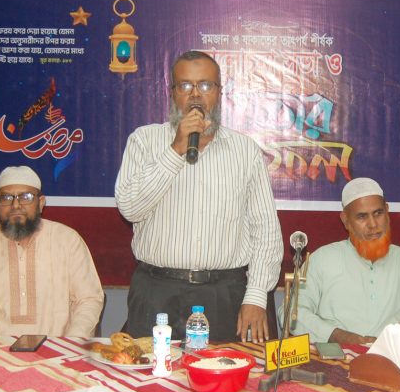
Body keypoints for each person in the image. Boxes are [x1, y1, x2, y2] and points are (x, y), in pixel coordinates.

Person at [115, 50, 282, 343]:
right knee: (152, 373)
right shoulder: (144, 141)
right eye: (185, 85)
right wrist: (175, 149)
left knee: (224, 373)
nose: (195, 95)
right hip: (156, 291)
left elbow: (265, 230)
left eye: (205, 85)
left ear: (219, 92)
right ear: (172, 93)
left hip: (223, 295)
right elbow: (130, 208)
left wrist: (256, 296)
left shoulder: (244, 150)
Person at [0, 165, 104, 338]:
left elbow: (89, 299)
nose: (15, 205)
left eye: (26, 197)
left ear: (41, 203)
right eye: (6, 198)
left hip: (57, 349)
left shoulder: (67, 241)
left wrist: (71, 343)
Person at [291, 178, 400, 346]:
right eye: (362, 216)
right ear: (345, 220)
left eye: (378, 213)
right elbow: (292, 314)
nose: (373, 224)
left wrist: (397, 334)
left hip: (393, 355)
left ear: (387, 211)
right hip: (337, 355)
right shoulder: (322, 259)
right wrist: (336, 335)